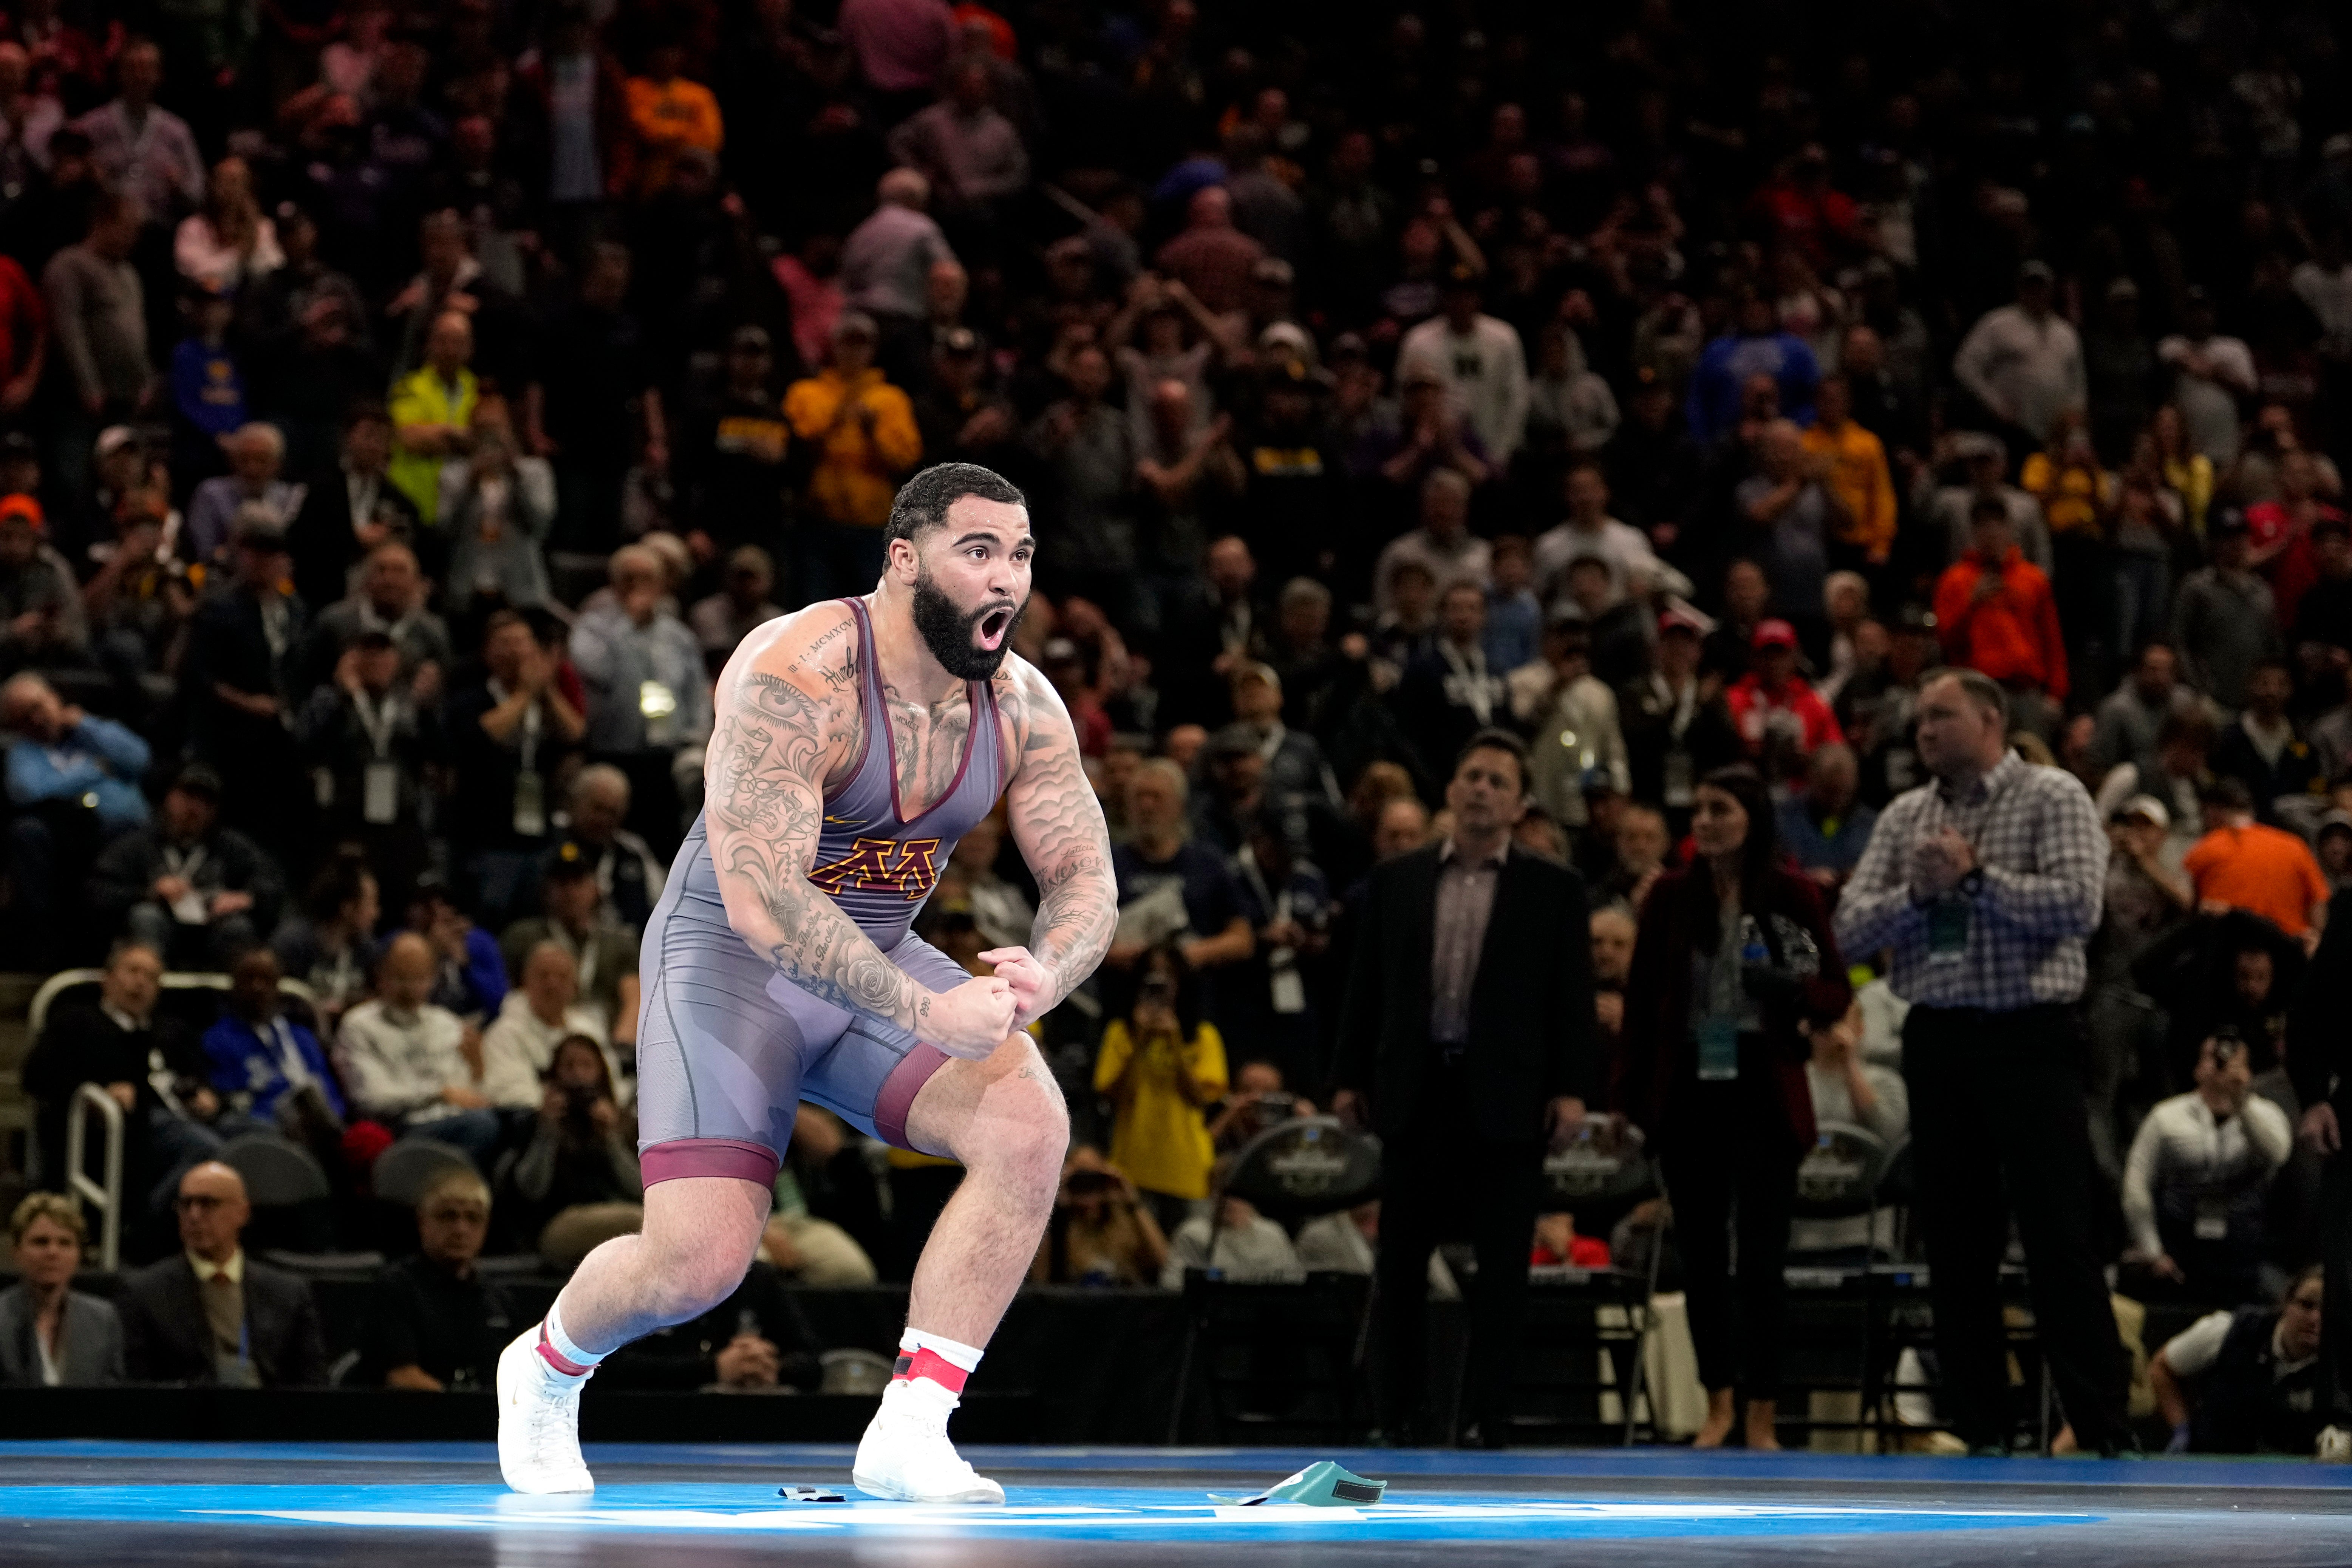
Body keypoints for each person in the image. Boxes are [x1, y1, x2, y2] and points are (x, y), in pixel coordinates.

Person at [496, 463, 1117, 1505]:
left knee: (1028, 1122)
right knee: (698, 1266)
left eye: (1019, 554)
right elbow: (763, 899)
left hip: (873, 955)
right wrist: (927, 1007)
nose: (1006, 578)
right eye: (978, 551)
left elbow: (1086, 876)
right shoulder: (798, 671)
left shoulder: (1021, 702)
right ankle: (548, 1363)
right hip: (729, 966)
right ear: (904, 558)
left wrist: (1048, 971)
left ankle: (911, 1429)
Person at [1835, 668, 2131, 1454]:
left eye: (1941, 715)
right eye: (1919, 720)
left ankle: (2102, 1428)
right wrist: (1918, 896)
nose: (1924, 730)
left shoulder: (2050, 796)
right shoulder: (1906, 814)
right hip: (1938, 1039)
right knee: (1955, 1244)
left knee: (2057, 1236)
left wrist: (1976, 881)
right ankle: (1982, 1428)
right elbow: (1847, 930)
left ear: (1991, 719)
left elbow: (2079, 906)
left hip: (2030, 1037)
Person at [1332, 730, 1595, 1445]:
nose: (1481, 789)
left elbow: (1572, 999)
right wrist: (1349, 1075)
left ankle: (1488, 1416)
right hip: (1416, 1089)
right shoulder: (1398, 879)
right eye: (1472, 776)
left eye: (1497, 782)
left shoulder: (1554, 888)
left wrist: (1572, 1089)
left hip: (1508, 1096)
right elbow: (1366, 986)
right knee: (1400, 1264)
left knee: (1503, 1269)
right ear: (1450, 790)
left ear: (1520, 805)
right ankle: (1398, 1416)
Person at [1616, 765, 1851, 1447]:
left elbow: (1834, 990)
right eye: (1699, 810)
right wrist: (1626, 1101)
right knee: (1701, 1254)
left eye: (1720, 809)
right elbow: (1641, 1004)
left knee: (1762, 1259)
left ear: (1753, 818)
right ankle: (1717, 1403)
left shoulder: (1792, 894)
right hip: (1691, 1082)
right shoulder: (1670, 896)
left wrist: (1790, 989)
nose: (1706, 822)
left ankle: (1763, 1412)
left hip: (1763, 1084)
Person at [116, 1161, 329, 1387]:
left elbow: (314, 1383)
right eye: (185, 1204)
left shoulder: (288, 1293)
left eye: (207, 1204)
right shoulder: (145, 1293)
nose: (194, 1216)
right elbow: (137, 1388)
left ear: (242, 1213)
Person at [2121, 1031, 2293, 1307]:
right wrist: (2153, 1251)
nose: (2221, 1066)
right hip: (2179, 1241)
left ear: (2248, 1071)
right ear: (2197, 1069)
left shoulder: (2266, 1114)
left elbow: (2278, 1154)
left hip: (2242, 1246)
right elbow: (2136, 1184)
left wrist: (2240, 1100)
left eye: (2233, 1061)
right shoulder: (2166, 1116)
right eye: (2213, 1059)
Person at [335, 932, 500, 1168]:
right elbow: (371, 1099)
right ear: (381, 977)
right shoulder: (359, 1025)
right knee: (482, 1125)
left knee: (509, 1120)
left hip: (451, 1120)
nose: (410, 989)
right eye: (401, 978)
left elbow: (468, 1093)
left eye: (420, 978)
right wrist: (438, 1095)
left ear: (433, 979)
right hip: (396, 1127)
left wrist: (478, 1071)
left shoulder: (448, 1024)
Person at [1092, 940, 1226, 1232]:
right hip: (1133, 1167)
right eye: (1152, 975)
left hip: (1187, 1167)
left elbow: (1200, 1100)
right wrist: (1140, 1041)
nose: (1160, 982)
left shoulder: (1203, 1036)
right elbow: (1114, 1098)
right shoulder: (1120, 1033)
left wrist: (1174, 1042)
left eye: (1168, 975)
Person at [359, 1167, 512, 1391]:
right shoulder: (395, 1289)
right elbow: (402, 1377)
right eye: (448, 1216)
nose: (461, 1229)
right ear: (423, 1222)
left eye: (473, 1218)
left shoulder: (499, 1299)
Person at [2151, 1267, 2326, 1454]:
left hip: (2293, 1469)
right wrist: (2182, 1430)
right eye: (2307, 1305)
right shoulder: (2228, 1330)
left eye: (2327, 1309)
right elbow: (2162, 1367)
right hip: (2212, 1463)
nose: (2315, 1318)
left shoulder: (2340, 1369)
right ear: (2286, 1303)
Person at [1933, 496, 2069, 736]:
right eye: (1983, 528)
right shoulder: (1954, 581)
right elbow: (1945, 640)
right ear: (1973, 533)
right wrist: (1972, 604)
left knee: (2029, 754)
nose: (1991, 535)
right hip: (1976, 692)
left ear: (2009, 530)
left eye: (1997, 527)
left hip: (2026, 690)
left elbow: (2052, 640)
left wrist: (2056, 693)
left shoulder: (2033, 579)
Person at [501, 1033, 644, 1259]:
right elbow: (531, 1191)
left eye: (586, 1065)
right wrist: (547, 1133)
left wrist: (611, 1140)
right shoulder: (534, 1123)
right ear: (555, 1073)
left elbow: (639, 1190)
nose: (578, 1074)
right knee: (643, 1222)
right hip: (558, 1222)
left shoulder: (622, 1124)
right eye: (569, 1066)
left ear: (602, 1073)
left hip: (615, 1209)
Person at [200, 947, 343, 1128]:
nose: (258, 987)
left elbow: (331, 1093)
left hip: (320, 1128)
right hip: (263, 1129)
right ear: (235, 985)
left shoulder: (302, 1037)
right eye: (249, 979)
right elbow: (231, 1102)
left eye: (266, 979)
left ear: (278, 985)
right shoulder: (219, 1040)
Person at [2182, 779, 2331, 948]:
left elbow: (2187, 902)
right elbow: (2318, 904)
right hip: (2287, 950)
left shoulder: (2207, 847)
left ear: (2212, 813)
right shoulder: (2295, 846)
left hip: (2230, 950)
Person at [0, 1191, 125, 1386]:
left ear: (79, 1254)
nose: (53, 1252)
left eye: (65, 1243)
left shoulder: (103, 1319)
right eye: (41, 1242)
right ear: (16, 1251)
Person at [480, 940, 613, 1112]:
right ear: (525, 982)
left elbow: (612, 1085)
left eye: (562, 977)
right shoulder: (504, 1034)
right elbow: (510, 1093)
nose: (553, 984)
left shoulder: (590, 1030)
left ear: (575, 986)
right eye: (544, 976)